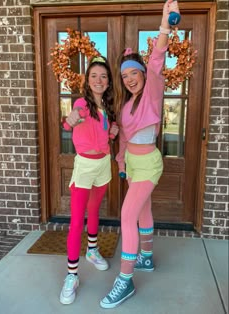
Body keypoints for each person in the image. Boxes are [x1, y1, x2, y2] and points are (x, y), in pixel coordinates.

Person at [100, 0, 180, 309]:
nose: (130, 79)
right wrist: (121, 162)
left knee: (126, 216)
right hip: (133, 163)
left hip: (149, 164)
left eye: (134, 73)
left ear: (144, 74)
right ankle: (145, 257)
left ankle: (126, 280)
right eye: (125, 76)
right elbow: (123, 138)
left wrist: (164, 24)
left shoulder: (152, 90)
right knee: (143, 210)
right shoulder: (126, 105)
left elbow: (158, 57)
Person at [60, 55, 119, 305]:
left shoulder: (108, 105)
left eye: (103, 76)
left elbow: (109, 128)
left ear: (108, 82)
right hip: (84, 166)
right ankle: (72, 276)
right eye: (94, 75)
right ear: (88, 80)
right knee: (76, 220)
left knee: (94, 210)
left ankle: (92, 251)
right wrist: (69, 120)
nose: (99, 79)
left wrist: (113, 131)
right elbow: (70, 120)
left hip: (103, 164)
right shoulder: (82, 103)